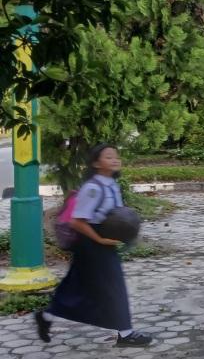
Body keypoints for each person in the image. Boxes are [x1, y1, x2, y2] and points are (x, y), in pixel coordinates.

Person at [35, 144, 153, 347]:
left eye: (116, 157)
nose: (115, 160)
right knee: (113, 287)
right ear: (96, 163)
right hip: (91, 243)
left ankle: (46, 317)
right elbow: (76, 221)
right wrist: (99, 240)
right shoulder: (92, 188)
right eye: (108, 157)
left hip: (103, 242)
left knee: (77, 287)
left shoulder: (112, 185)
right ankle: (125, 334)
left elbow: (116, 216)